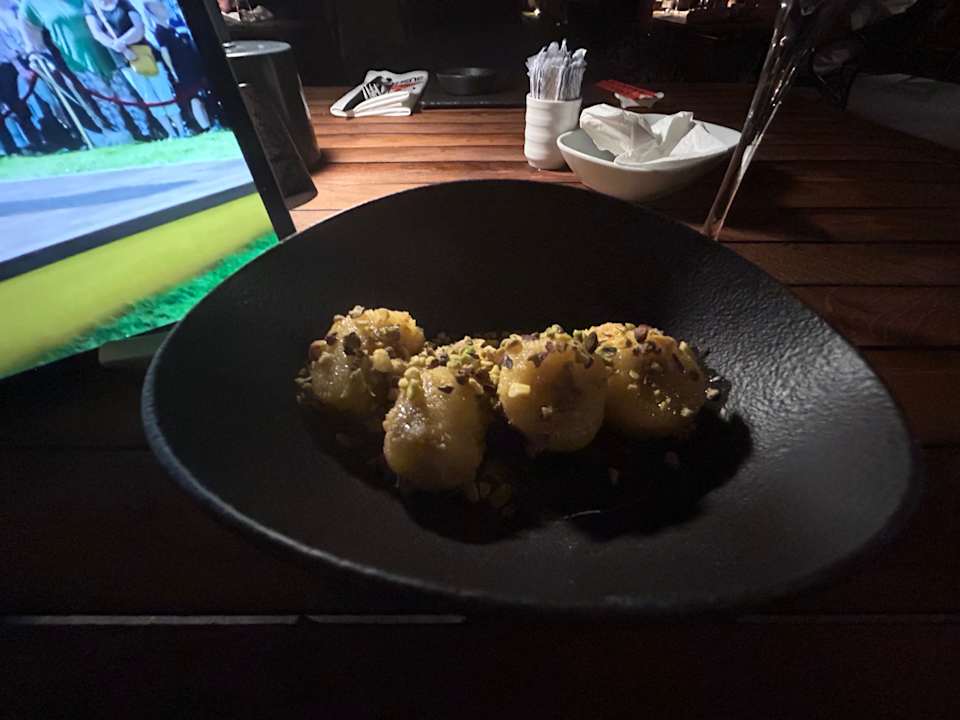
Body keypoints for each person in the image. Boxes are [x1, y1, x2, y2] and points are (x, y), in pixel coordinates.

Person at [18, 0, 154, 144]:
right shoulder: (31, 4)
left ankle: (147, 131)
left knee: (127, 95)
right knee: (104, 101)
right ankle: (123, 136)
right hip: (78, 58)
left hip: (112, 51)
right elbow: (30, 33)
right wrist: (34, 54)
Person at [83, 0, 184, 138]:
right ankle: (171, 133)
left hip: (145, 53)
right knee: (148, 96)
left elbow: (139, 28)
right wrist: (117, 46)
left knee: (163, 91)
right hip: (124, 60)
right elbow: (97, 33)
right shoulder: (91, 6)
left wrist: (122, 42)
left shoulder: (123, 2)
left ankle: (181, 130)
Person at [0, 0, 43, 153]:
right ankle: (11, 149)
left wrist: (19, 67)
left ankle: (37, 142)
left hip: (5, 68)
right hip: (8, 65)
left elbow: (4, 45)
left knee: (19, 108)